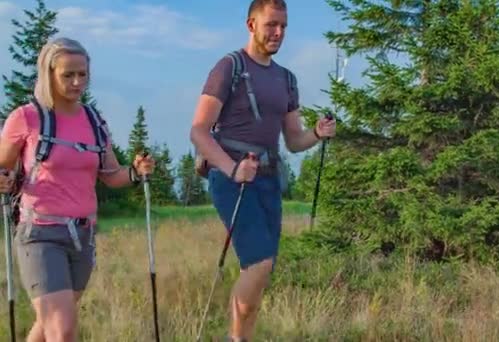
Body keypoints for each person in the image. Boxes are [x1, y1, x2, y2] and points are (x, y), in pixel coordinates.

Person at [190, 0, 336, 340]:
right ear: (251, 24)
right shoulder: (229, 67)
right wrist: (231, 169)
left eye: (283, 26)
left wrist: (316, 133)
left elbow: (294, 140)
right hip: (231, 179)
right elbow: (199, 130)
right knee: (259, 264)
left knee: (260, 270)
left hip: (269, 179)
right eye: (271, 24)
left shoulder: (286, 79)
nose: (278, 32)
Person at [0, 37, 155, 342]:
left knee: (49, 328)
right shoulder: (27, 117)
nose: (76, 82)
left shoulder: (94, 120)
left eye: (82, 74)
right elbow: (3, 168)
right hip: (40, 233)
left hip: (82, 236)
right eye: (67, 75)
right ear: (49, 74)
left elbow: (111, 175)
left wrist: (137, 172)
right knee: (63, 329)